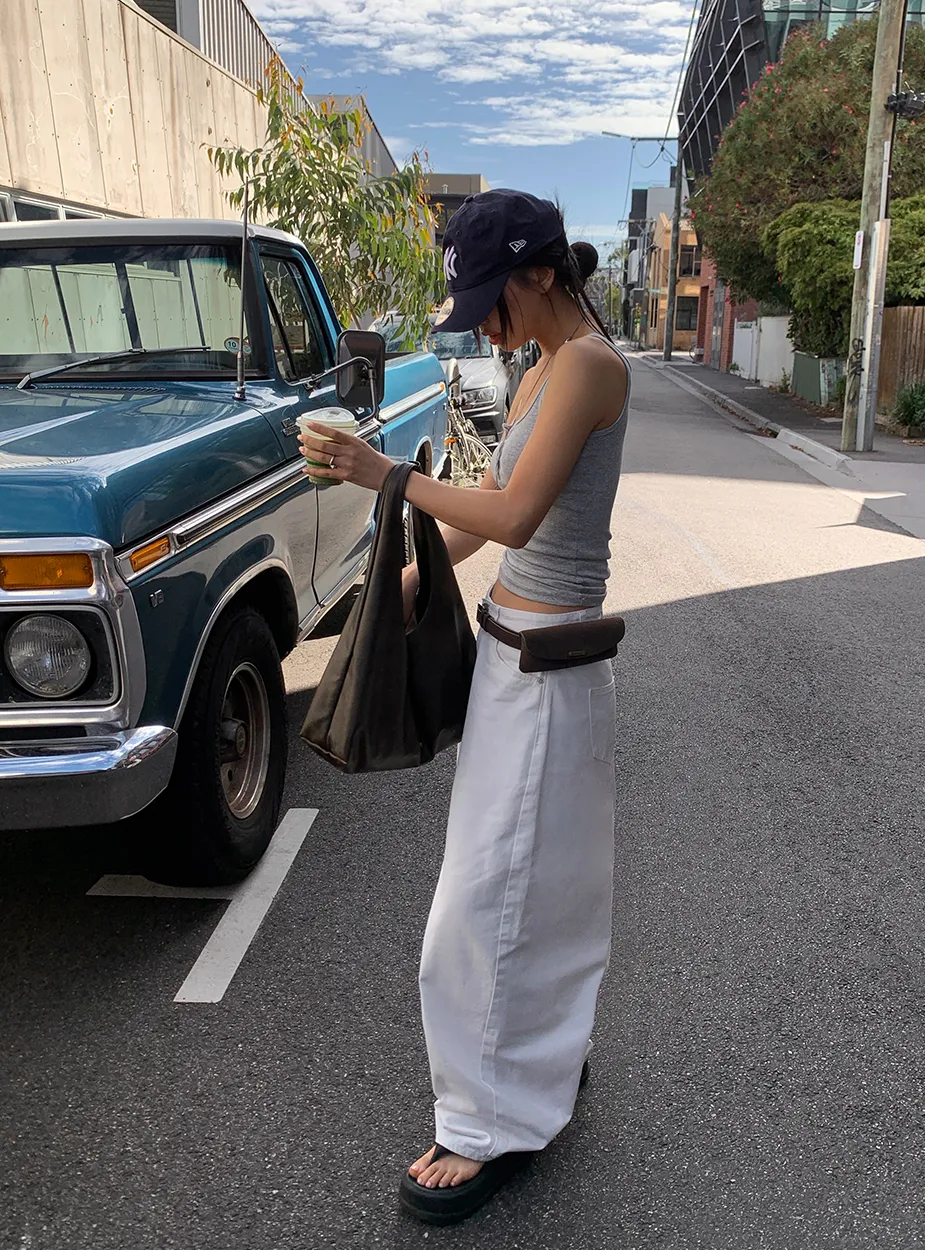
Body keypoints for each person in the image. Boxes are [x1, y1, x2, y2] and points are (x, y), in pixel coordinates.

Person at [298, 189, 630, 1225]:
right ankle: (543, 1062)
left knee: (480, 909)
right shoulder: (538, 367)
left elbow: (517, 512)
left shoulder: (589, 366)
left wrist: (384, 475)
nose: (484, 325)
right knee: (543, 891)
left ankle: (485, 1127)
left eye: (491, 301)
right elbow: (487, 520)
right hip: (513, 665)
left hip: (548, 674)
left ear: (540, 273)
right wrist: (413, 576)